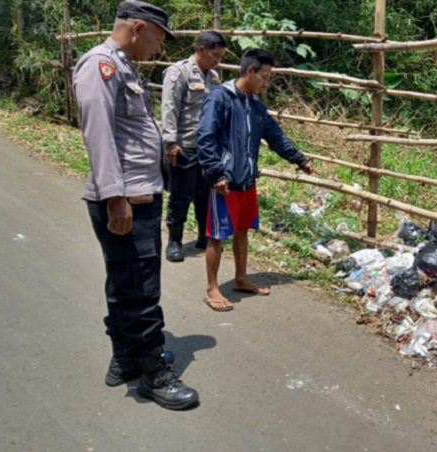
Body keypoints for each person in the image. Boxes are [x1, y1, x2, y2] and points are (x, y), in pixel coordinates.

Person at [73, 0, 199, 410]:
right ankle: (152, 375)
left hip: (138, 193)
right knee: (142, 289)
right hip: (126, 198)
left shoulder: (123, 66)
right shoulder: (100, 66)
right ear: (139, 27)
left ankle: (125, 359)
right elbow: (98, 135)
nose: (160, 49)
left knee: (124, 282)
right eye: (160, 39)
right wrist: (116, 197)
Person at [196, 48, 317, 312]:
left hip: (247, 179)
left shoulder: (255, 105)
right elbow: (205, 138)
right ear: (249, 71)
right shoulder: (220, 98)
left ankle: (240, 279)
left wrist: (300, 159)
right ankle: (212, 288)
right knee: (216, 235)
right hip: (224, 182)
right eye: (264, 76)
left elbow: (275, 136)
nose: (266, 82)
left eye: (269, 77)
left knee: (243, 229)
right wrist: (216, 173)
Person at [161, 31, 227, 262]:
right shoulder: (179, 73)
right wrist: (170, 142)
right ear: (201, 49)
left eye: (220, 57)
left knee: (205, 195)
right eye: (215, 55)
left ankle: (204, 236)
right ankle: (174, 242)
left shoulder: (214, 77)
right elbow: (169, 108)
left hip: (207, 148)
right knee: (180, 195)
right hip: (184, 146)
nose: (217, 60)